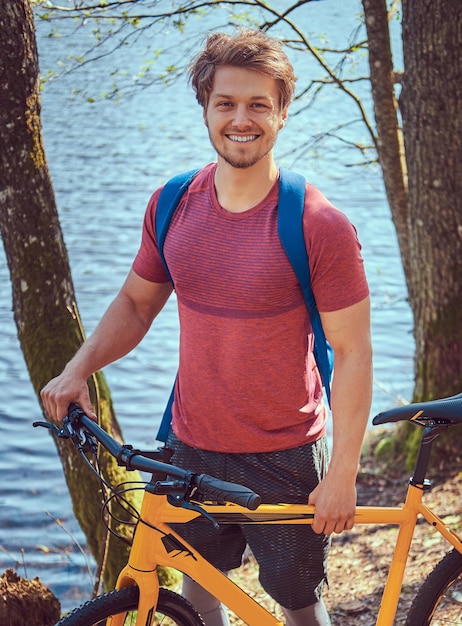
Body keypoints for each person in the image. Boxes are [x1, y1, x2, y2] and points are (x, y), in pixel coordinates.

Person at [41, 28, 372, 626]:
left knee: (297, 603)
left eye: (257, 105)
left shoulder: (318, 224)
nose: (240, 119)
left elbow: (351, 352)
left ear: (282, 112)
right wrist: (76, 369)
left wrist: (344, 470)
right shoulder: (172, 205)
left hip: (286, 453)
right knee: (198, 588)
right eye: (226, 103)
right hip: (190, 446)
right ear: (205, 108)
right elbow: (137, 306)